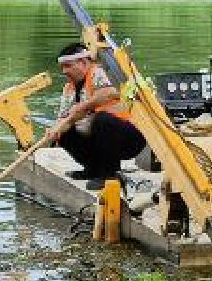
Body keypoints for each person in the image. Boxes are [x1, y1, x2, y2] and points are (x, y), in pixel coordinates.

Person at [48, 42, 145, 185]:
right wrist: (55, 131)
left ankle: (109, 174)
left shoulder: (99, 72)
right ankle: (93, 169)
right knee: (64, 132)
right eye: (62, 67)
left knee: (102, 119)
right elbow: (64, 119)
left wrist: (83, 106)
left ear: (82, 62)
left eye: (68, 66)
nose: (64, 71)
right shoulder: (68, 89)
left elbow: (110, 93)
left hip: (129, 136)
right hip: (99, 137)